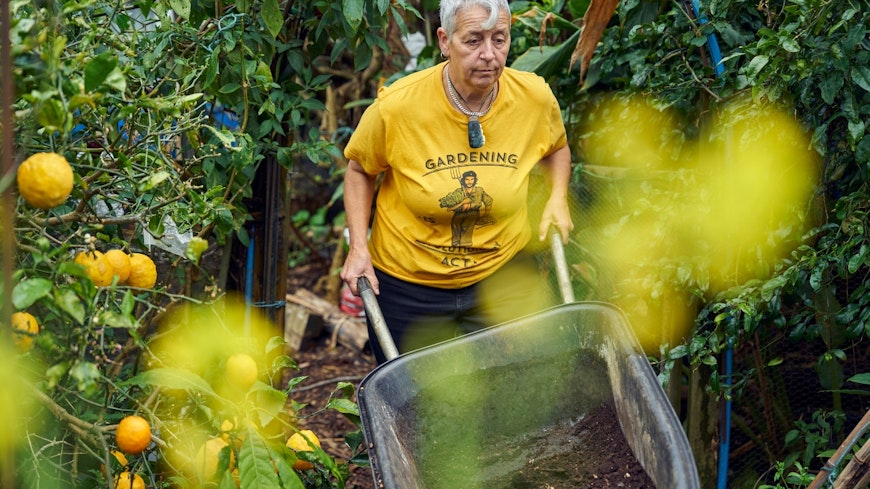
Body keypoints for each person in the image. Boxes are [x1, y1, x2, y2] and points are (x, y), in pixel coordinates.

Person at [340, 0, 574, 364]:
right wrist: (358, 247)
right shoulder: (399, 107)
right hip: (409, 282)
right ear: (445, 41)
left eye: (500, 39)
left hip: (503, 271)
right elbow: (359, 170)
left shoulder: (534, 98)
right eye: (473, 41)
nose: (489, 55)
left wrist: (558, 197)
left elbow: (557, 147)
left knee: (514, 387)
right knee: (414, 398)